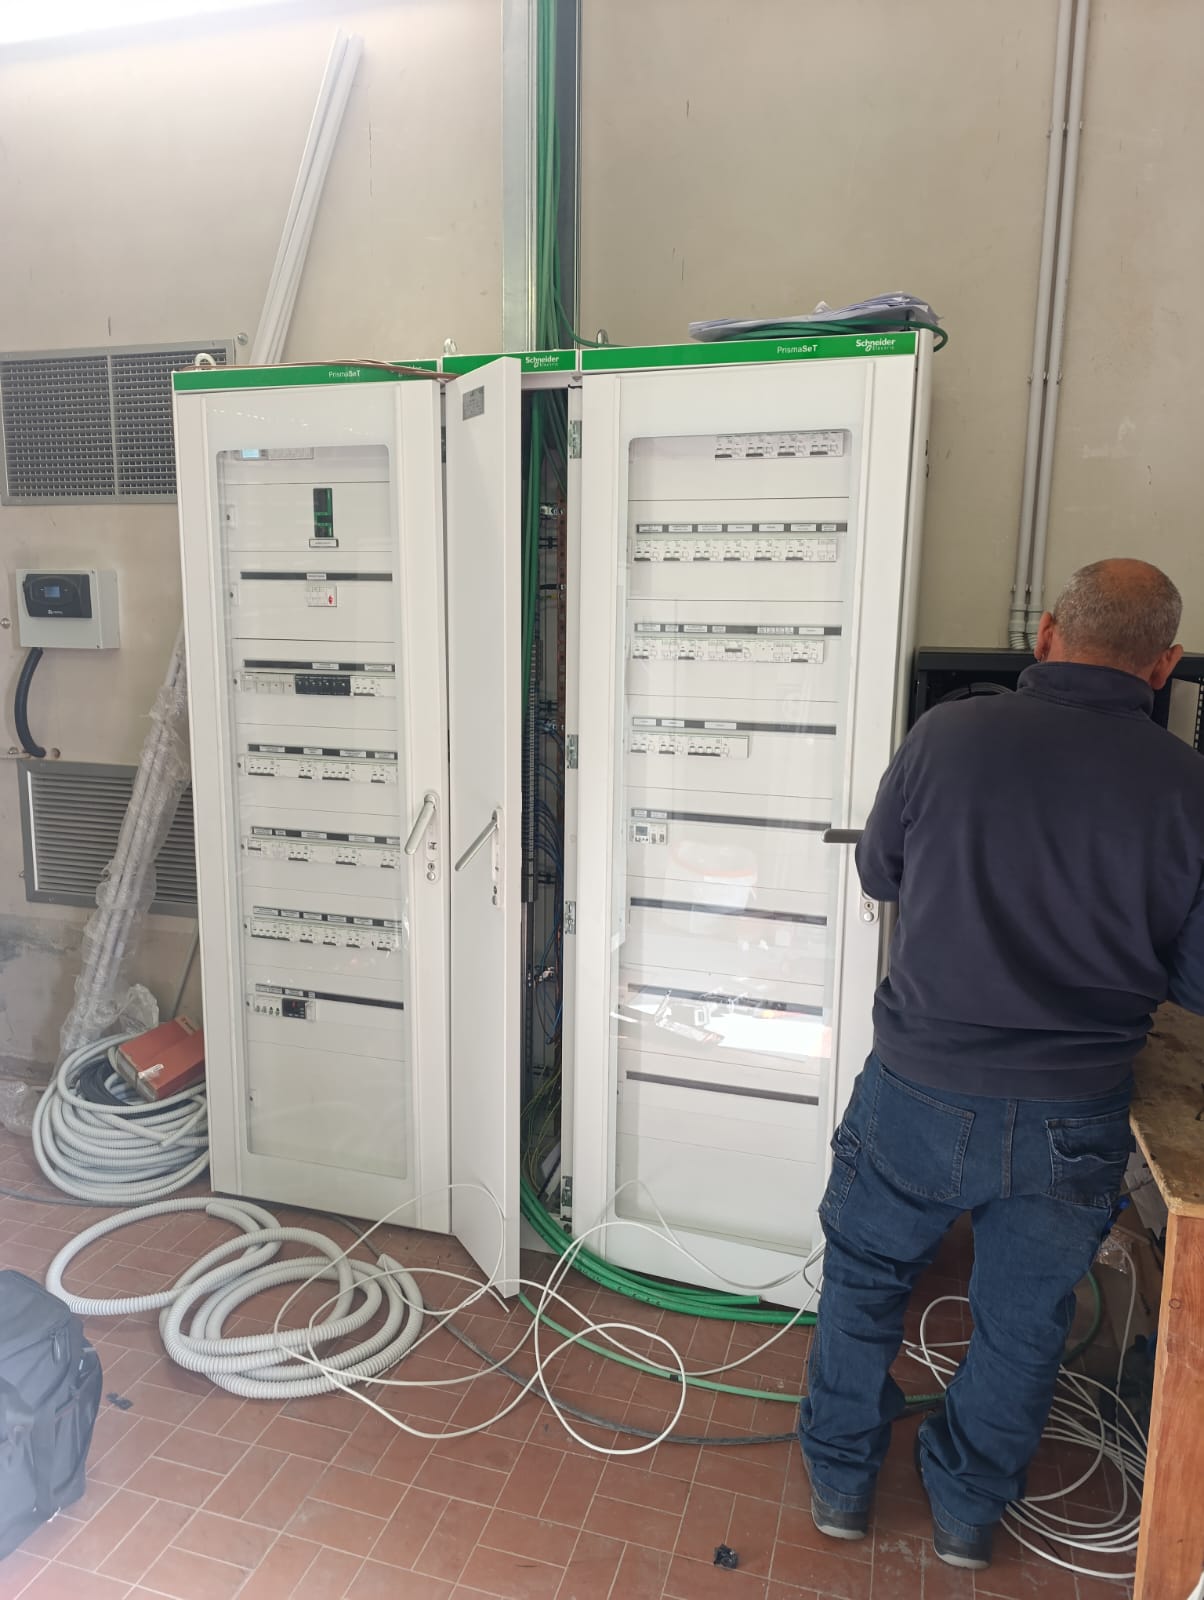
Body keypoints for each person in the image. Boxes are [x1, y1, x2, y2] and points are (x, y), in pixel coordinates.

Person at [799, 558, 1204, 1570]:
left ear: (1046, 633)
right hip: (1074, 1109)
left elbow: (879, 871)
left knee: (864, 1281)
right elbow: (1197, 982)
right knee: (1023, 1322)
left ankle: (840, 1485)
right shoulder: (1189, 787)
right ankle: (967, 1516)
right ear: (1164, 665)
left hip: (920, 1088)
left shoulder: (948, 735)